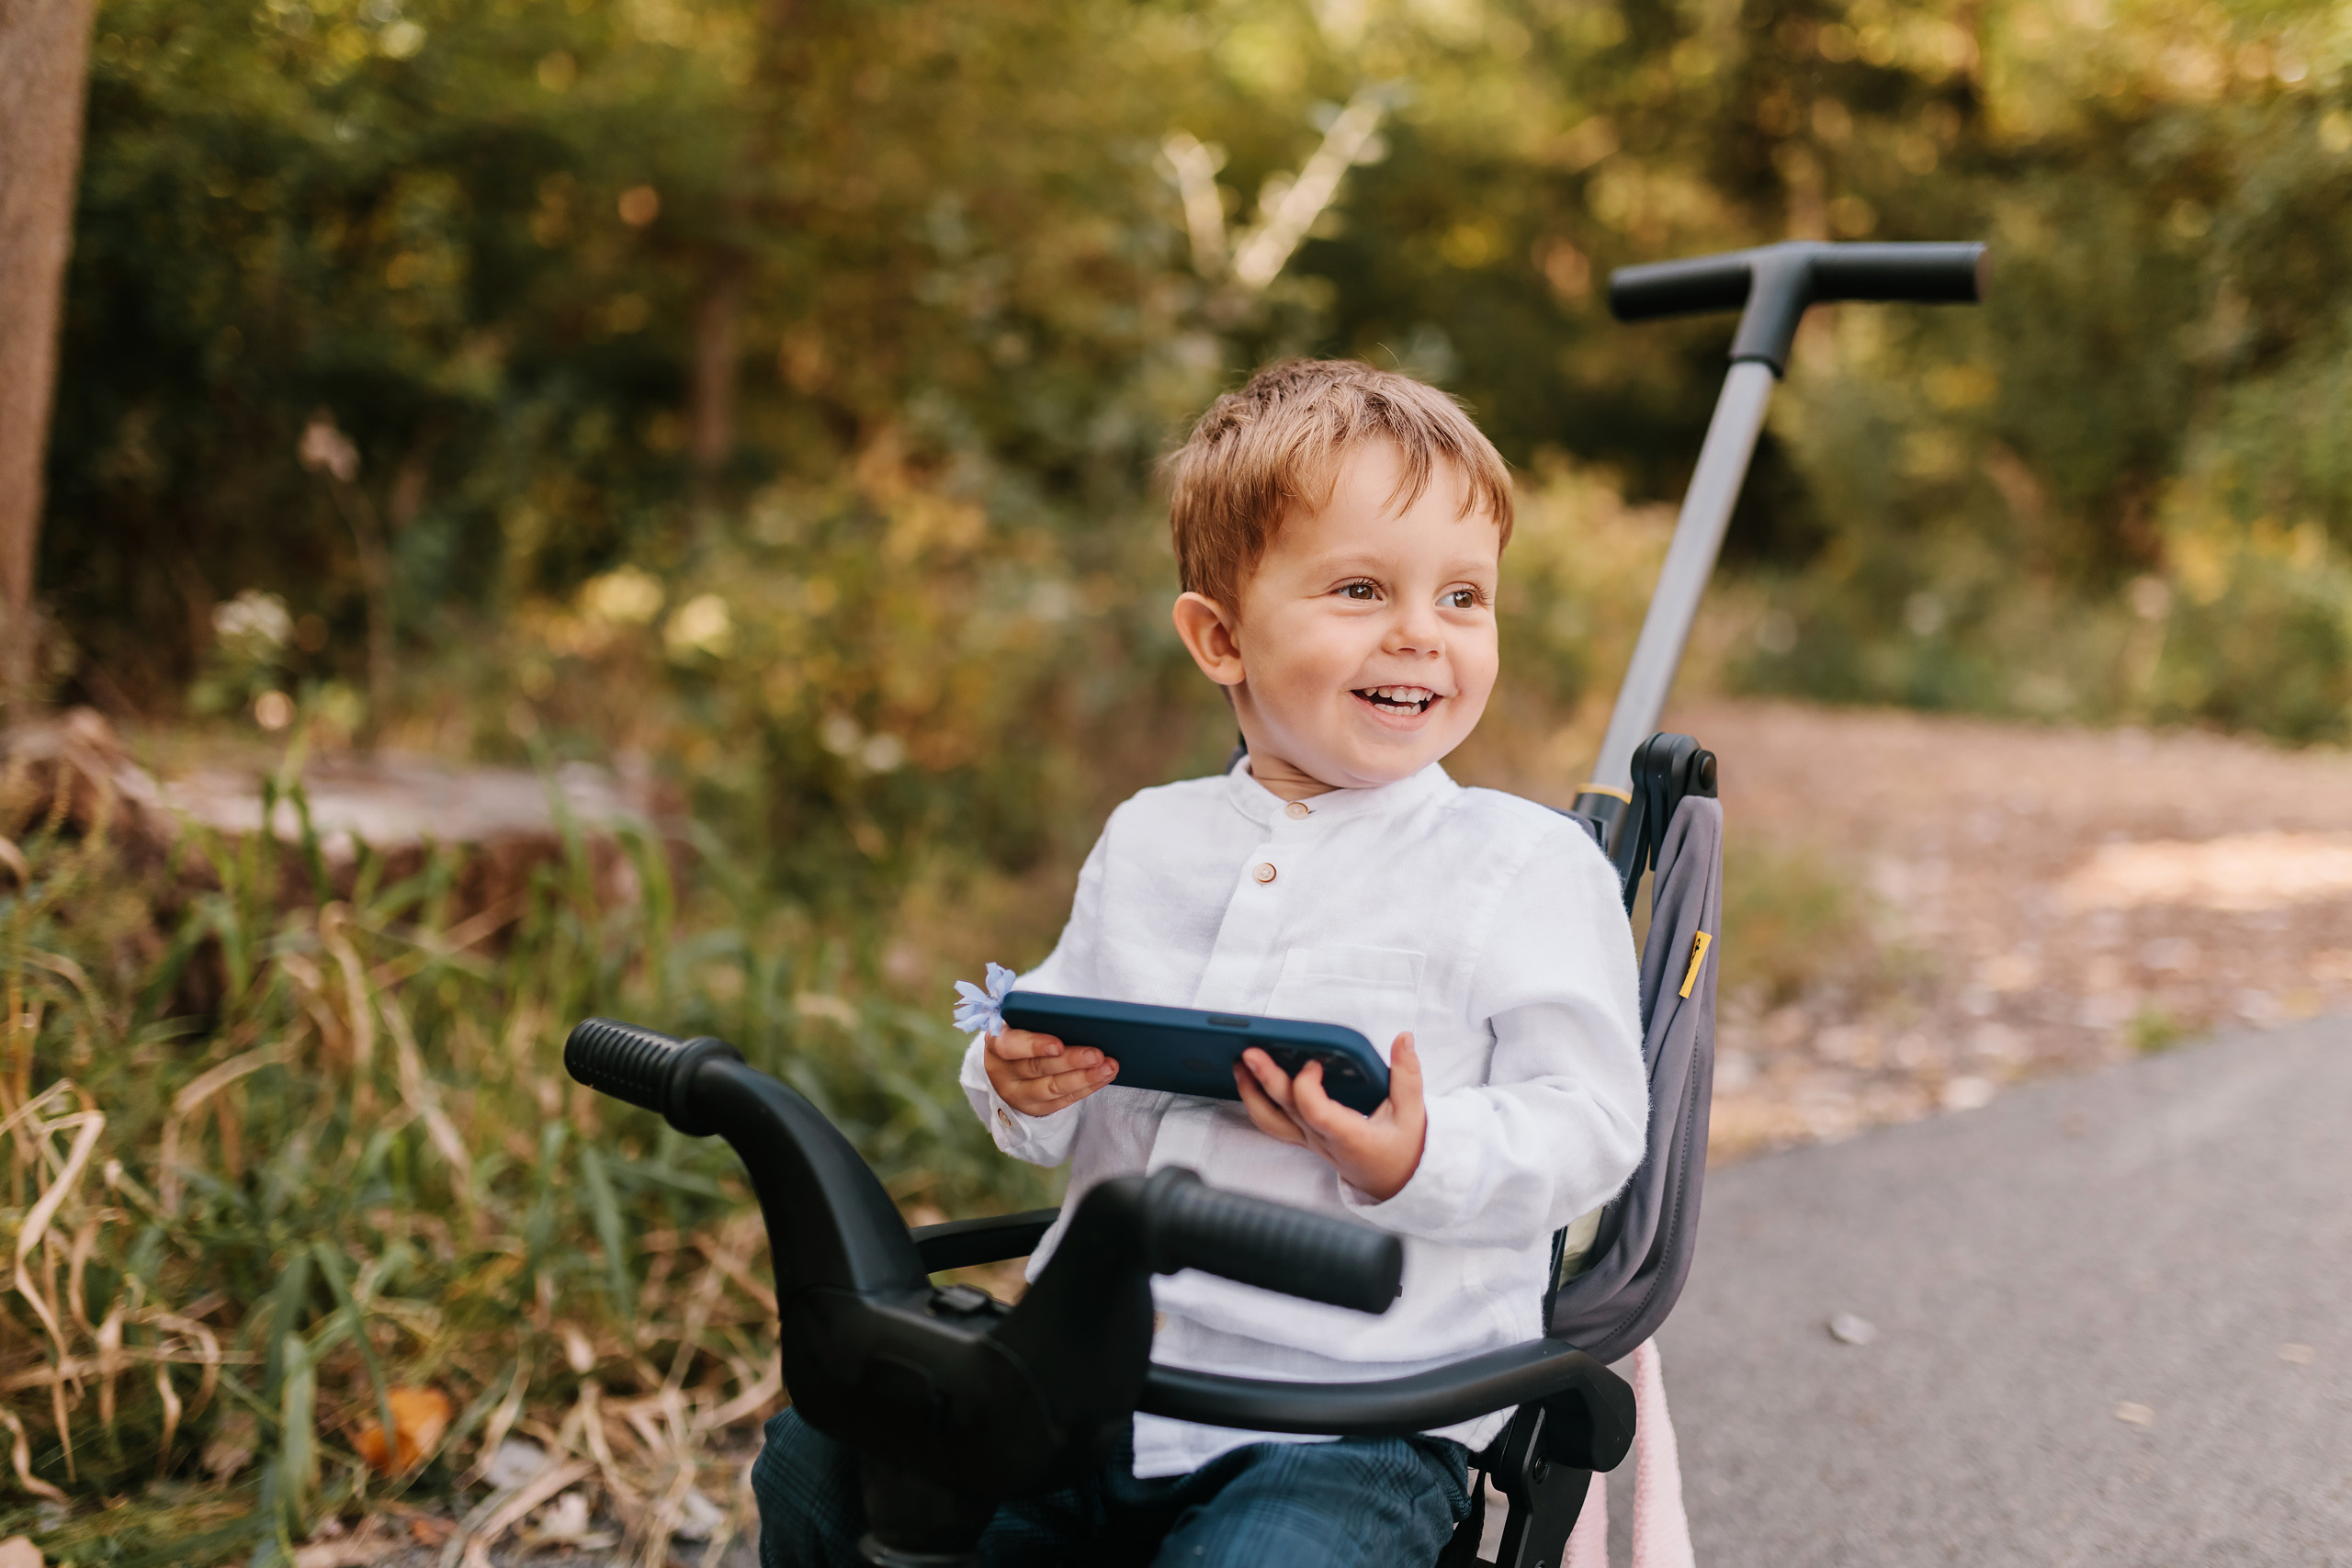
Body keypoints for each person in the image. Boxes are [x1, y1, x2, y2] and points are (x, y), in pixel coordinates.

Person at [753, 359, 1648, 1567]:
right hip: (1085, 1377)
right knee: (825, 1462)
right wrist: (1020, 1081)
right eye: (1360, 589)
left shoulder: (1521, 867)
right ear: (1220, 637)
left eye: (1463, 597)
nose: (1419, 633)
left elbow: (1591, 1123)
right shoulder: (1150, 839)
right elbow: (1059, 1058)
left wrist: (1417, 1153)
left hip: (1346, 1416)